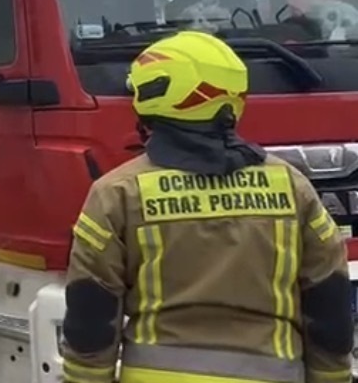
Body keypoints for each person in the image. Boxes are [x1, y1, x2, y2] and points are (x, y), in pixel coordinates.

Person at [62, 30, 352, 383]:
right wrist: (331, 376)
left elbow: (91, 312)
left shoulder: (118, 193)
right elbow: (329, 300)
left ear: (154, 94)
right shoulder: (292, 186)